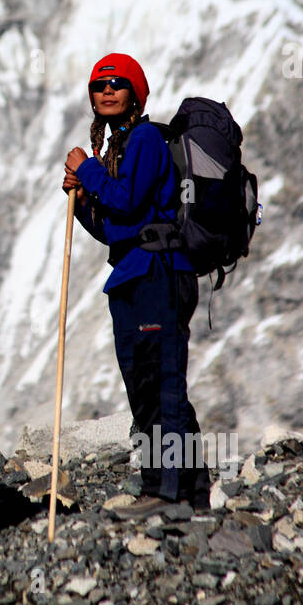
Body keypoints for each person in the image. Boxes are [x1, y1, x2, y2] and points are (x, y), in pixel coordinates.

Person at [62, 52, 212, 516]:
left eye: (117, 83)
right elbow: (115, 228)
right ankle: (190, 491)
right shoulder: (121, 150)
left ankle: (163, 492)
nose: (106, 90)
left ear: (134, 94)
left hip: (158, 276)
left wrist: (86, 169)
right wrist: (85, 202)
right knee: (149, 385)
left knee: (159, 384)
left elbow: (126, 203)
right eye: (98, 85)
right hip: (134, 274)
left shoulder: (145, 138)